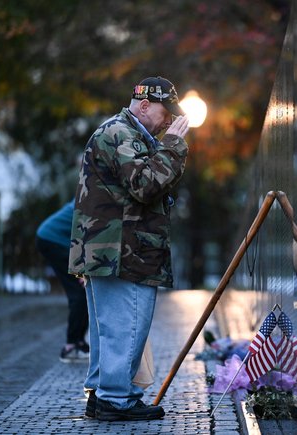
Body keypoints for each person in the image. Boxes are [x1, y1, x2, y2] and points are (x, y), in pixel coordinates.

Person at [69, 76, 190, 421]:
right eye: (167, 112)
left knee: (109, 328)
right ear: (145, 104)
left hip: (114, 250)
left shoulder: (124, 132)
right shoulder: (122, 133)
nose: (170, 121)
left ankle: (103, 393)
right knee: (127, 324)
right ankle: (115, 398)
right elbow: (145, 185)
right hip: (122, 252)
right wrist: (174, 146)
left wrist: (166, 146)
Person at [36, 200, 89, 363]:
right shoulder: (95, 198)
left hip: (53, 238)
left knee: (84, 289)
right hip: (54, 240)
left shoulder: (94, 190)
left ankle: (78, 342)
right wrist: (82, 269)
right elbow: (88, 236)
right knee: (79, 291)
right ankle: (71, 346)